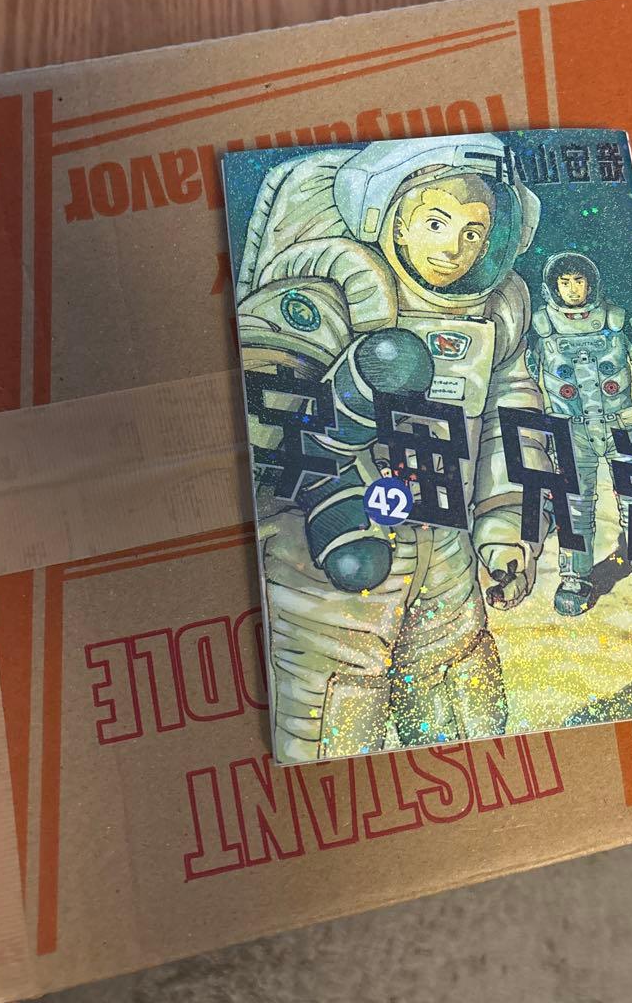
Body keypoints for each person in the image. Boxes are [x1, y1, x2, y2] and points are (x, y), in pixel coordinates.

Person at [234, 134, 551, 763]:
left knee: (464, 712)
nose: (453, 248)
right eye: (436, 223)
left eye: (473, 232)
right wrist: (346, 404)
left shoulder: (496, 317)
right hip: (330, 560)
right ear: (392, 220)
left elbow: (513, 425)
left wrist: (507, 528)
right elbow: (259, 417)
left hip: (446, 555)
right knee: (330, 731)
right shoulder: (326, 295)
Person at [530, 251, 632, 616]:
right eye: (564, 283)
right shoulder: (540, 327)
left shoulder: (619, 321)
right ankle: (574, 576)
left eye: (579, 281)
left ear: (592, 283)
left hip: (621, 424)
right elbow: (524, 380)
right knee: (574, 505)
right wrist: (538, 431)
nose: (572, 290)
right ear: (553, 287)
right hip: (570, 429)